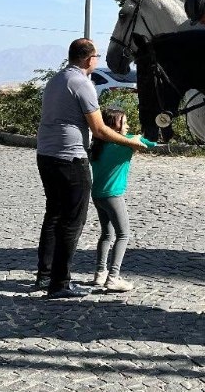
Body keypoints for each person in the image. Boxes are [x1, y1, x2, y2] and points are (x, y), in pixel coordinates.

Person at [35, 38, 148, 299]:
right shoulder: (82, 84)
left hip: (46, 155)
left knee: (53, 214)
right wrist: (131, 142)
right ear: (89, 59)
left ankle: (45, 275)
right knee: (72, 220)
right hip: (70, 158)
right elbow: (99, 129)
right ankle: (60, 283)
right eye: (95, 56)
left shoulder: (56, 80)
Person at [88, 108, 156, 293]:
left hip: (97, 194)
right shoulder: (124, 145)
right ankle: (113, 277)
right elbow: (152, 143)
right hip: (113, 195)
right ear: (113, 127)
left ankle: (99, 273)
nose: (127, 126)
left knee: (106, 235)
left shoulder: (97, 146)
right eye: (124, 123)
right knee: (123, 235)